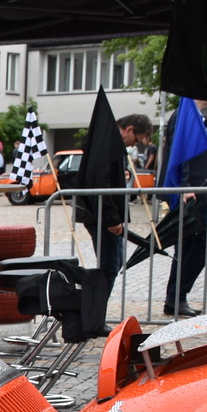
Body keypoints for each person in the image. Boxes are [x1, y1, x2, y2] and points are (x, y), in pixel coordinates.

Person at [76, 114, 151, 287]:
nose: (134, 145)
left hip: (101, 214)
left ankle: (93, 307)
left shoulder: (106, 141)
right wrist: (112, 219)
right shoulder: (107, 144)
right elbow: (101, 183)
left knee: (113, 264)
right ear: (129, 129)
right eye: (136, 140)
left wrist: (124, 172)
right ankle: (93, 309)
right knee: (109, 267)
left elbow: (107, 177)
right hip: (101, 215)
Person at [164, 103, 207, 317]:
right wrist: (186, 186)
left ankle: (175, 298)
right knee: (206, 240)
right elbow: (182, 151)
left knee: (188, 245)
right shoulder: (185, 114)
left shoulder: (195, 115)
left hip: (198, 189)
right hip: (192, 192)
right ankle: (177, 295)